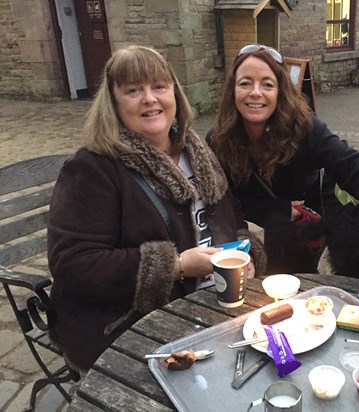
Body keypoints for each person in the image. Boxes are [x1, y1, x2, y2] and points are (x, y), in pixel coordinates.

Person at [47, 45, 265, 373]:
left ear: (174, 95)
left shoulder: (198, 152)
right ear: (114, 103)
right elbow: (73, 265)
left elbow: (231, 213)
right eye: (133, 90)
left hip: (214, 304)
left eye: (159, 87)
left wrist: (245, 254)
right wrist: (176, 266)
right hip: (131, 325)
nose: (149, 98)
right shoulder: (92, 169)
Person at [208, 44, 359, 275]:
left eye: (267, 84)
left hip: (315, 205)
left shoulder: (304, 127)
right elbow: (226, 201)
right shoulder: (218, 140)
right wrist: (278, 211)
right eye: (245, 83)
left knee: (301, 274)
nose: (256, 92)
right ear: (233, 90)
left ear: (280, 91)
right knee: (274, 274)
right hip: (272, 213)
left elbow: (352, 165)